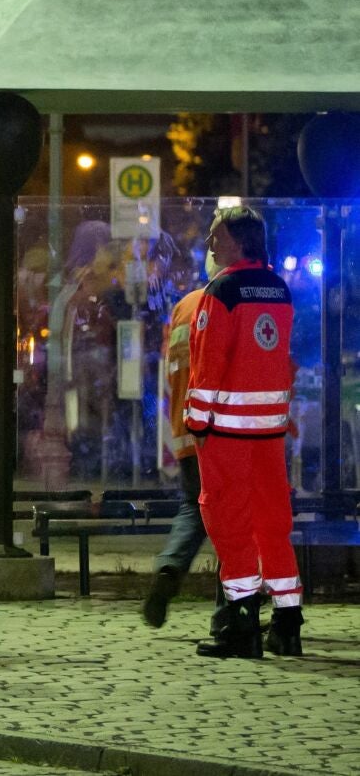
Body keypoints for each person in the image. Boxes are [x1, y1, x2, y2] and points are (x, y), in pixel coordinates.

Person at [184, 206, 301, 658]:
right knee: (273, 523)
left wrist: (196, 423)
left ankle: (243, 626)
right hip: (269, 433)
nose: (211, 244)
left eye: (218, 237)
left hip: (227, 432)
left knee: (229, 524)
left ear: (239, 242)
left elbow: (208, 365)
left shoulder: (222, 290)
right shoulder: (278, 288)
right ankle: (288, 624)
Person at [140, 280, 209, 628]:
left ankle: (169, 567)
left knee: (193, 506)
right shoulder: (227, 299)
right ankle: (236, 605)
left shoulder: (182, 307)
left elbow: (169, 369)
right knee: (234, 518)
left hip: (185, 425)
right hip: (223, 429)